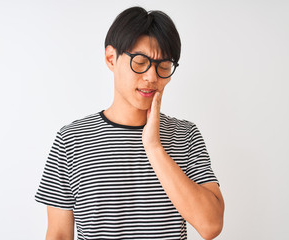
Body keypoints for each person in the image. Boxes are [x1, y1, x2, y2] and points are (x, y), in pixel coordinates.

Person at [35, 6, 224, 240]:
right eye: (140, 61)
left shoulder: (184, 135)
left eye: (163, 65)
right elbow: (59, 235)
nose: (151, 77)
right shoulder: (71, 139)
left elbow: (211, 225)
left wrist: (154, 147)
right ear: (111, 58)